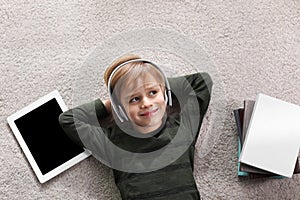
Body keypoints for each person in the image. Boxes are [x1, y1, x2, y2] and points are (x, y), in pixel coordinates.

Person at [59, 54, 213, 200]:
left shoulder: (183, 127)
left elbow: (202, 81)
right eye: (134, 99)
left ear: (164, 93)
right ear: (119, 108)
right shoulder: (112, 142)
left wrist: (155, 81)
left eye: (153, 92)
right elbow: (68, 120)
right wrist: (112, 102)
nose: (146, 103)